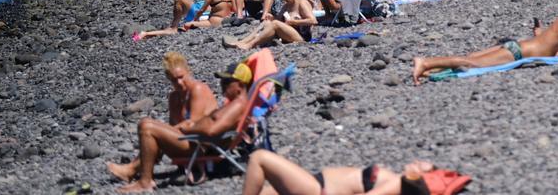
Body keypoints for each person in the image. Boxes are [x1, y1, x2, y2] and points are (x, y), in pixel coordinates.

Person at [106, 60, 252, 193]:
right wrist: (191, 125)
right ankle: (134, 171)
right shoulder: (234, 104)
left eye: (227, 81)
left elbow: (211, 130)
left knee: (146, 126)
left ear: (240, 85)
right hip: (197, 143)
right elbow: (210, 125)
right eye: (222, 81)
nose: (222, 84)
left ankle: (145, 182)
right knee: (150, 125)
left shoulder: (238, 105)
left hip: (199, 147)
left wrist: (189, 127)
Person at [413, 0, 558, 84]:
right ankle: (426, 63)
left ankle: (431, 70)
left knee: (471, 58)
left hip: (517, 47)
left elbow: (548, 41)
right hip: (518, 53)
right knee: (470, 63)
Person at [242, 150, 442, 195]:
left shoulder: (398, 182)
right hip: (317, 183)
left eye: (423, 165)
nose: (418, 161)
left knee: (259, 158)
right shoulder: (397, 182)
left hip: (318, 190)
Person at [135, 0, 235, 40]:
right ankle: (147, 33)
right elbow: (235, 10)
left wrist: (194, 20)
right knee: (186, 15)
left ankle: (170, 28)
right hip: (216, 18)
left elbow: (201, 11)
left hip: (207, 18)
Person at [225, 0, 317, 49]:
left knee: (275, 23)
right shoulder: (287, 5)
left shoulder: (301, 2)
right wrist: (271, 17)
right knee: (267, 22)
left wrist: (294, 21)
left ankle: (250, 45)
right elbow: (278, 19)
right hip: (290, 32)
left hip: (301, 37)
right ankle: (243, 41)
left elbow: (313, 21)